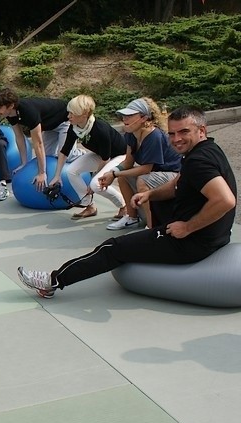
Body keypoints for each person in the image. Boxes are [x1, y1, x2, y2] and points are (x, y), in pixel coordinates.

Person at [17, 107, 237, 299]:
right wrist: (150, 195)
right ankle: (154, 235)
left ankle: (53, 280)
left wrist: (187, 227)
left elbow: (225, 200)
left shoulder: (198, 162)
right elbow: (175, 185)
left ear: (202, 131)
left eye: (184, 132)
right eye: (172, 133)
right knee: (157, 202)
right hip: (213, 234)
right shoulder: (205, 149)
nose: (176, 139)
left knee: (113, 248)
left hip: (194, 241)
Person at [98, 97, 181, 230]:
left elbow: (146, 169)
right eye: (123, 115)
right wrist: (112, 172)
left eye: (130, 115)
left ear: (143, 118)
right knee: (123, 176)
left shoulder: (154, 136)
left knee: (142, 180)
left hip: (175, 175)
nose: (125, 119)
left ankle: (151, 226)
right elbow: (128, 162)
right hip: (156, 173)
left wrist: (114, 174)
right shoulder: (130, 134)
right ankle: (132, 218)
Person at [48, 94, 127, 220]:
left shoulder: (100, 129)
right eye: (69, 113)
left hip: (119, 156)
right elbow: (64, 152)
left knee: (96, 185)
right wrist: (57, 176)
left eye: (72, 114)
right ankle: (90, 206)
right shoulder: (74, 128)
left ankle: (123, 205)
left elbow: (105, 159)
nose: (68, 116)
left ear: (84, 115)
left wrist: (93, 180)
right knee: (71, 171)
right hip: (100, 155)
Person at [0, 87, 71, 188]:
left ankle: (80, 154)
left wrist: (42, 173)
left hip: (65, 120)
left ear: (11, 106)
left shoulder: (29, 111)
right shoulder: (10, 114)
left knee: (65, 154)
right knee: (47, 156)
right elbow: (19, 137)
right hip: (50, 127)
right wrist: (24, 163)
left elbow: (38, 143)